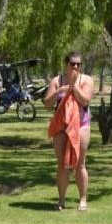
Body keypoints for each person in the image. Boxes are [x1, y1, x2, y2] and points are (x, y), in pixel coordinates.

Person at [43, 52, 95, 211]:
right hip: (61, 126)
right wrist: (60, 91)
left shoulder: (86, 80)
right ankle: (61, 200)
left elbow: (85, 100)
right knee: (62, 165)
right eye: (72, 63)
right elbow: (47, 103)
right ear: (66, 64)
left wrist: (74, 88)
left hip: (81, 125)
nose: (76, 67)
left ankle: (83, 200)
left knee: (80, 164)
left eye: (79, 64)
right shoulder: (56, 81)